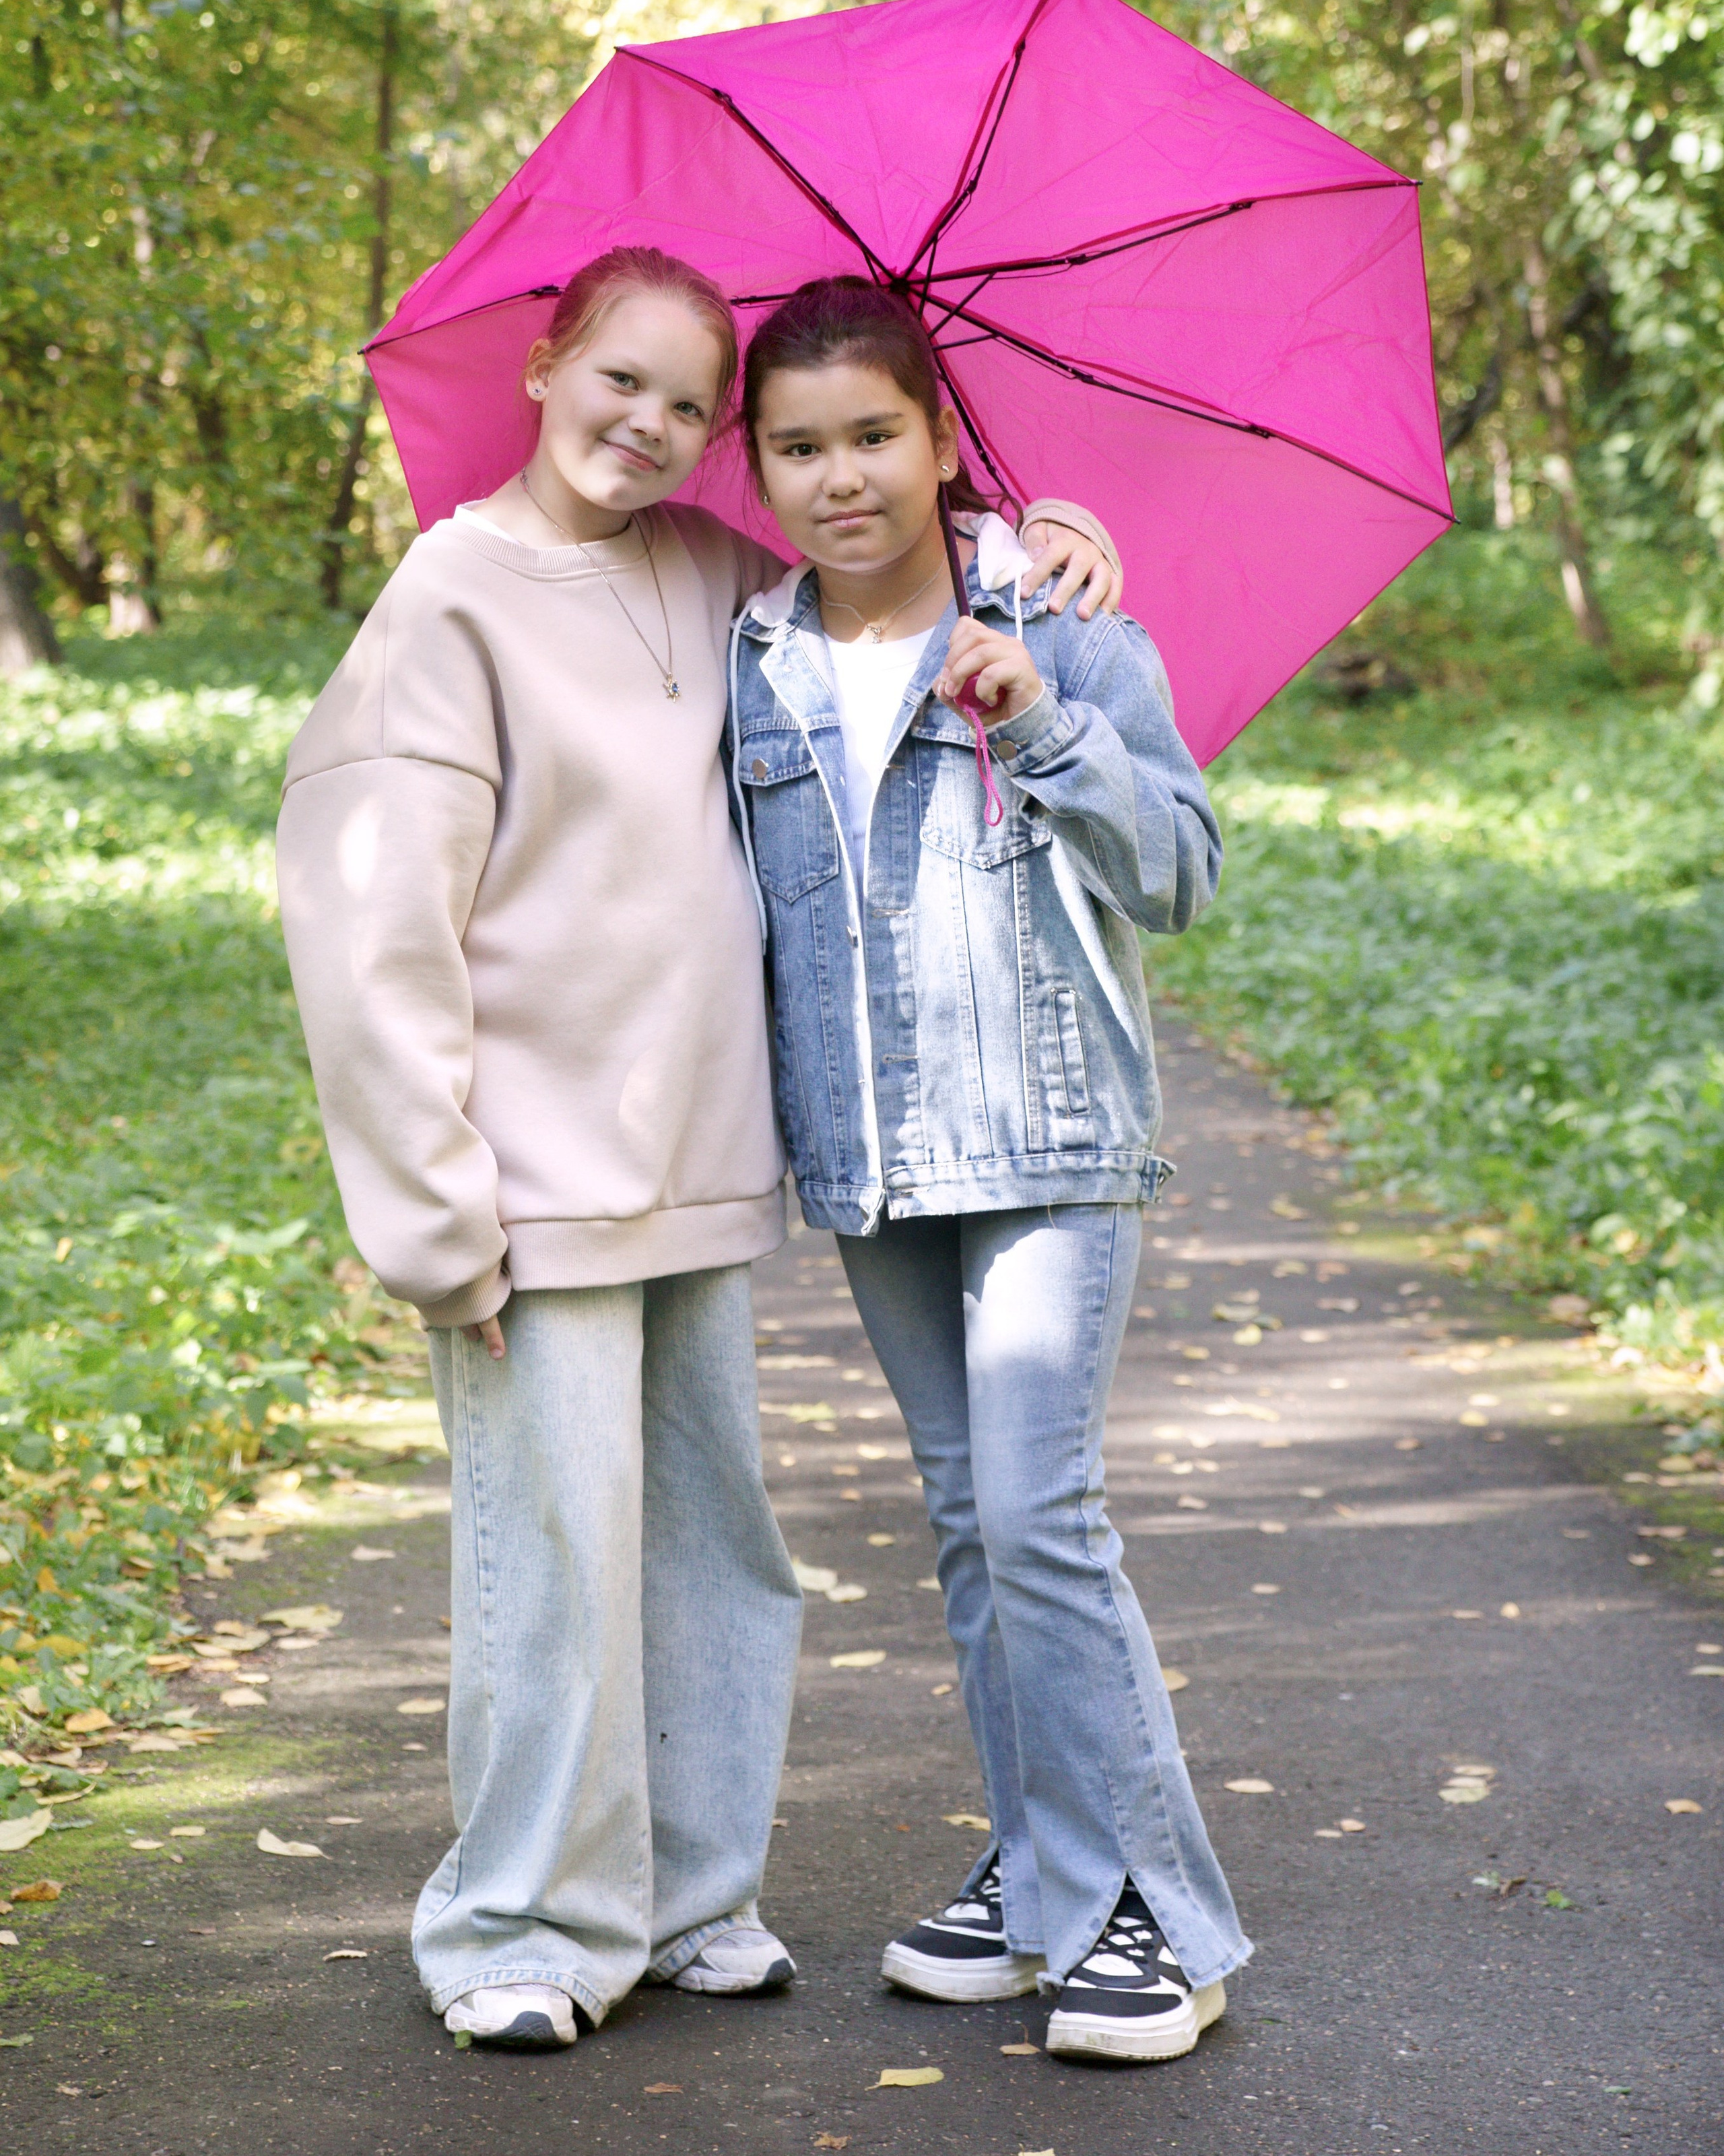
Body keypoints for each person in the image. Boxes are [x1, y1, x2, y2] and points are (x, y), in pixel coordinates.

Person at [275, 245, 1121, 2053]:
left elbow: (877, 577)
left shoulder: (714, 575)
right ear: (544, 368)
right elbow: (373, 931)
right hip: (530, 1189)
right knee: (555, 1561)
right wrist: (434, 1215)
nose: (649, 426)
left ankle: (685, 1895)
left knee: (718, 1555)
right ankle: (520, 1921)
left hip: (701, 1168)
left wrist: (1038, 535)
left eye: (688, 403)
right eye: (620, 382)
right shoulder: (448, 602)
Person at [730, 277, 1251, 2065]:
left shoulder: (1062, 626)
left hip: (1047, 1135)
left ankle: (1151, 1918)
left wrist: (1040, 721)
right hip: (876, 1158)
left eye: (875, 434)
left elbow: (1180, 872)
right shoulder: (752, 659)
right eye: (799, 445)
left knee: (1042, 1517)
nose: (841, 477)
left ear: (942, 436)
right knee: (971, 1525)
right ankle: (1044, 1868)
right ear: (758, 468)